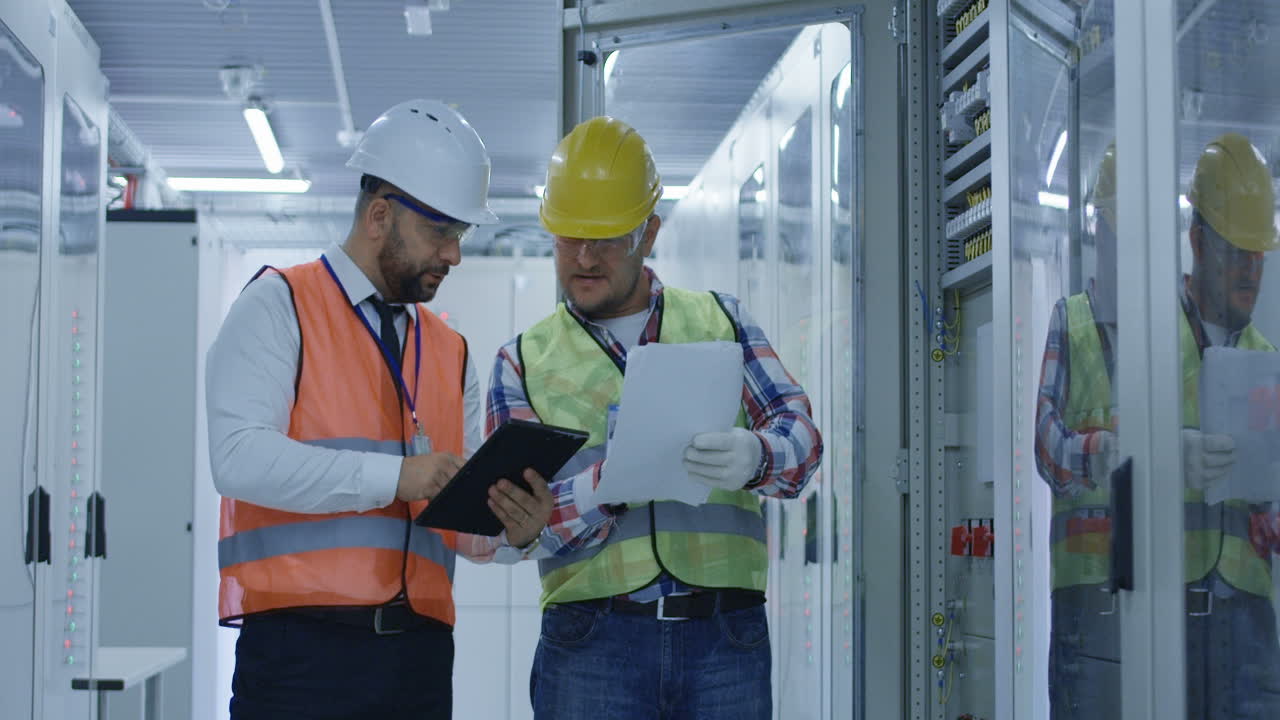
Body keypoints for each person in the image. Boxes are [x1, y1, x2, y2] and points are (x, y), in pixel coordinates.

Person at [207, 99, 554, 720]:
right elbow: (237, 458)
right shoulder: (279, 305)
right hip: (299, 660)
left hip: (416, 662)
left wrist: (514, 533)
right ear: (379, 215)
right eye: (440, 232)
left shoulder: (449, 351)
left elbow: (456, 524)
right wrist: (396, 477)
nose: (454, 255)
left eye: (461, 235)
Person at [485, 116, 824, 719]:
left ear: (649, 233)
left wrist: (755, 457)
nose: (584, 258)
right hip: (592, 644)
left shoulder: (721, 320)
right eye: (568, 238)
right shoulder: (522, 361)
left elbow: (802, 443)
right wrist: (604, 489)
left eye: (607, 238)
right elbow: (513, 529)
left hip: (725, 637)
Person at [1036, 134, 1280, 719]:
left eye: (1259, 254)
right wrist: (1139, 453)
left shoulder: (1264, 358)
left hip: (1240, 609)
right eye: (1235, 251)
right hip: (1131, 591)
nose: (1251, 269)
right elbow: (1051, 448)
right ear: (1197, 243)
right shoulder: (1138, 333)